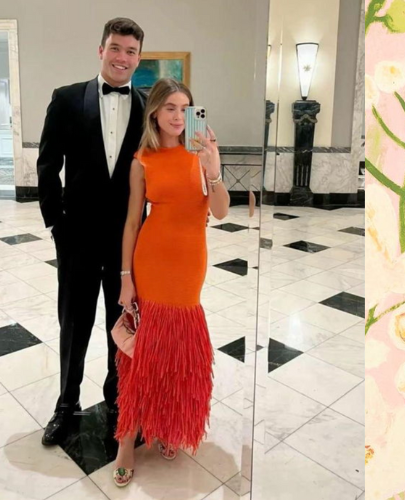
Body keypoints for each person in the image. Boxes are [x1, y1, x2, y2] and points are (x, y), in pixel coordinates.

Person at [112, 78, 230, 487]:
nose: (179, 117)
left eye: (185, 108)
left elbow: (221, 212)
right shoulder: (142, 160)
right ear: (155, 113)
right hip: (151, 261)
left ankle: (166, 424)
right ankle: (126, 442)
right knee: (142, 355)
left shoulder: (202, 154)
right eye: (170, 108)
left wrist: (214, 170)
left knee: (177, 351)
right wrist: (125, 278)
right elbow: (132, 223)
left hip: (189, 265)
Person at [36, 17, 147, 446]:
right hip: (77, 237)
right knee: (74, 322)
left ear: (139, 57)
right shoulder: (66, 99)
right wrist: (56, 224)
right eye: (115, 48)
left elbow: (170, 160)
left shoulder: (148, 108)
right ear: (101, 50)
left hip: (128, 241)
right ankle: (66, 404)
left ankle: (118, 400)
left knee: (121, 323)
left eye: (131, 51)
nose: (122, 57)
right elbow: (48, 164)